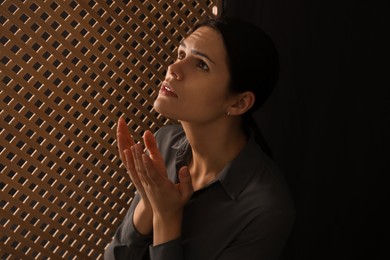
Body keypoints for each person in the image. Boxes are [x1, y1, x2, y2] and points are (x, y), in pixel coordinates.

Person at [104, 17, 295, 260]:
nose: (174, 68)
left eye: (201, 65)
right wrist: (148, 205)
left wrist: (166, 217)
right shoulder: (164, 143)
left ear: (238, 102)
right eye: (181, 53)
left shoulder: (266, 208)